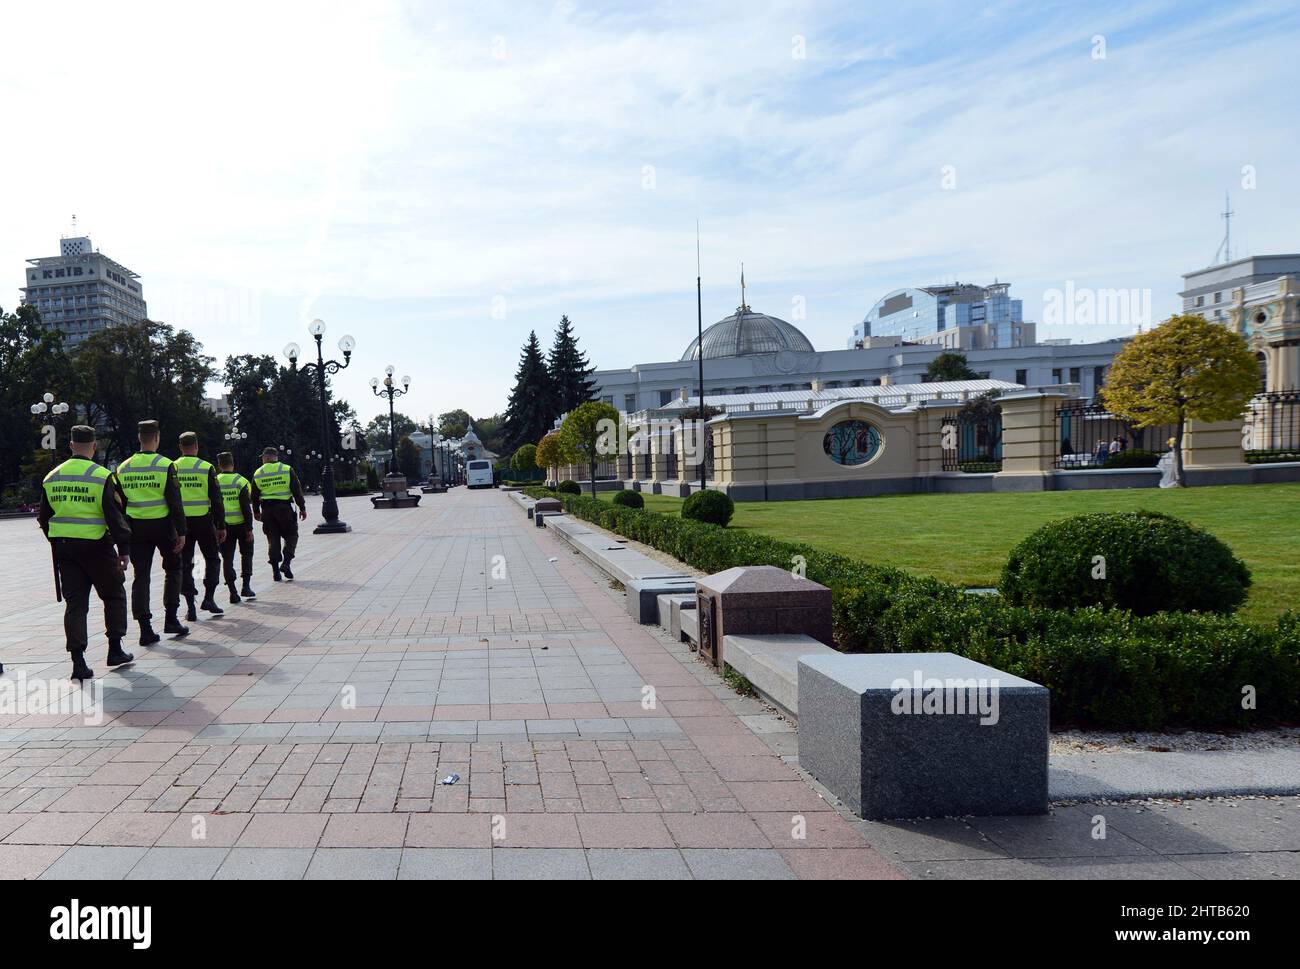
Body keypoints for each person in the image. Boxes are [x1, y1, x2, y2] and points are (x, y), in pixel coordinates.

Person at [38, 425, 135, 680]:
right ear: (94, 446)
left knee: (76, 604)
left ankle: (78, 662)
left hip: (66, 549)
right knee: (114, 594)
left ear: (70, 446)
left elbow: (43, 517)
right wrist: (123, 549)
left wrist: (57, 541)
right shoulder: (102, 476)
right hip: (97, 547)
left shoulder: (51, 477)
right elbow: (115, 516)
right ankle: (115, 649)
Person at [117, 420, 189, 643]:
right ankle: (171, 619)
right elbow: (174, 501)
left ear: (140, 439)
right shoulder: (166, 464)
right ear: (156, 438)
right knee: (174, 569)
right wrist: (182, 531)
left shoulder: (123, 467)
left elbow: (119, 504)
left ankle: (145, 629)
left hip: (135, 528)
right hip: (163, 526)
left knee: (142, 576)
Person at [175, 432, 227, 620]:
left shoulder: (172, 467)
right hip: (204, 521)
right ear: (196, 446)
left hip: (181, 524)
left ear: (180, 447)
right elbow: (216, 498)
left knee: (185, 563)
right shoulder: (206, 467)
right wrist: (221, 525)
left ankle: (190, 607)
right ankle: (209, 598)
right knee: (212, 558)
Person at [251, 447, 306, 581]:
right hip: (285, 509)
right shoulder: (287, 469)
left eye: (263, 457)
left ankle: (276, 572)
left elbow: (254, 495)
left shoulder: (258, 472)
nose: (262, 460)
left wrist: (256, 511)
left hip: (268, 511)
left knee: (273, 539)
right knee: (291, 535)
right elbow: (296, 490)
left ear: (267, 457)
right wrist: (302, 507)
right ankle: (286, 563)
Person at [216, 452, 256, 603]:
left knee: (227, 559)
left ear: (219, 465)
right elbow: (246, 507)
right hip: (241, 525)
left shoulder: (215, 480)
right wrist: (249, 528)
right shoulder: (242, 481)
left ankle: (233, 592)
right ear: (233, 463)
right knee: (247, 554)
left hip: (222, 527)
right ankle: (246, 587)